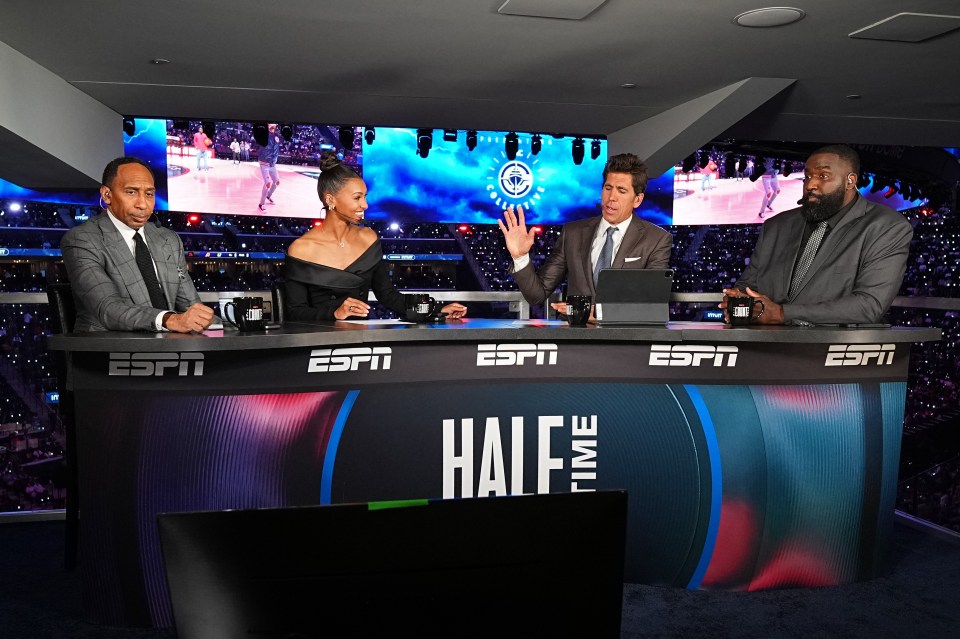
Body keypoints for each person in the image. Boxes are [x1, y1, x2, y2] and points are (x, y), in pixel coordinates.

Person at [721, 144, 914, 326]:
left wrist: (782, 313)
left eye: (823, 176)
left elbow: (870, 305)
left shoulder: (886, 226)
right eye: (807, 176)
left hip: (837, 348)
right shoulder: (776, 226)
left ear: (850, 181)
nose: (810, 184)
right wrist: (738, 302)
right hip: (767, 345)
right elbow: (747, 287)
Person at [282, 152, 468, 321]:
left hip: (362, 337)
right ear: (330, 199)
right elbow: (295, 312)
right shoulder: (301, 249)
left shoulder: (368, 238)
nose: (365, 205)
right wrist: (335, 313)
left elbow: (388, 295)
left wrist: (436, 310)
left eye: (365, 197)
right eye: (357, 197)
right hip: (318, 340)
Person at [498, 153, 672, 313]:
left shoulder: (656, 239)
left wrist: (595, 313)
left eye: (621, 190)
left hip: (626, 335)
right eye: (608, 188)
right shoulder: (572, 234)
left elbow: (652, 302)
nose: (611, 197)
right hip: (577, 334)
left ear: (637, 200)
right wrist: (520, 257)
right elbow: (537, 295)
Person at [60, 157, 214, 333]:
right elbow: (108, 308)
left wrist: (223, 321)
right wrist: (168, 320)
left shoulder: (169, 239)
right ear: (107, 195)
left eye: (149, 194)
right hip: (109, 346)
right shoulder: (82, 240)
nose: (142, 204)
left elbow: (190, 307)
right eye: (131, 192)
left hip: (167, 344)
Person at [257, 123, 282, 211]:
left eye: (274, 123)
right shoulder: (263, 134)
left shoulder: (277, 136)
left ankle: (268, 195)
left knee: (276, 181)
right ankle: (261, 204)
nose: (272, 125)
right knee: (267, 183)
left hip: (272, 163)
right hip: (264, 162)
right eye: (270, 123)